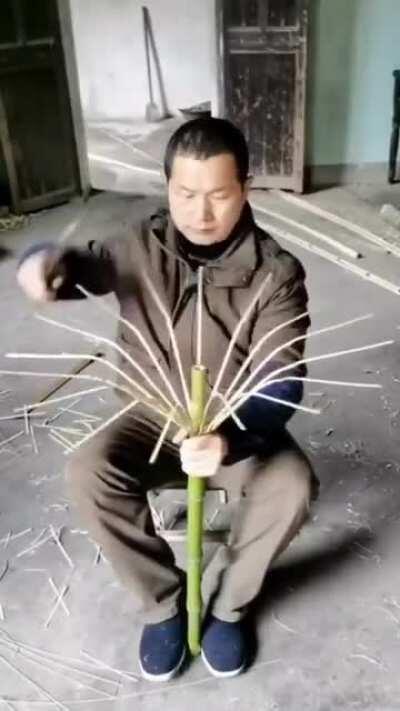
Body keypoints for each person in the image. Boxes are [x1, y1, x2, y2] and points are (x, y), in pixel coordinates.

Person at [17, 118, 317, 682]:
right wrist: (43, 264)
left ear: (246, 188)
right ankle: (164, 605)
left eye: (219, 195)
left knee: (292, 486)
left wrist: (229, 437)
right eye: (185, 194)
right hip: (151, 413)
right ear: (167, 187)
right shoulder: (137, 243)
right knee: (89, 471)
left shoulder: (276, 273)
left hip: (233, 421)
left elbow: (283, 381)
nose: (201, 213)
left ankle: (230, 606)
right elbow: (78, 267)